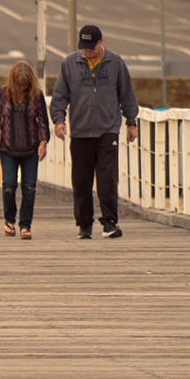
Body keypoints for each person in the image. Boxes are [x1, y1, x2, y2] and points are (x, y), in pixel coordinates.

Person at [51, 24, 140, 239]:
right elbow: (60, 95)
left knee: (107, 179)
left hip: (107, 130)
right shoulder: (69, 64)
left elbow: (127, 93)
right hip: (81, 131)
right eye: (84, 48)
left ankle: (110, 222)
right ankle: (84, 225)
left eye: (91, 48)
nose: (87, 52)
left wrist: (131, 122)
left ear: (101, 43)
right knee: (81, 181)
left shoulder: (116, 63)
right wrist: (59, 120)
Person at [0, 61, 49, 239]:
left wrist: (43, 142)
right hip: (8, 149)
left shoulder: (36, 95)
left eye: (25, 85)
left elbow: (42, 121)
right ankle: (9, 221)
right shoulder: (3, 94)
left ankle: (25, 225)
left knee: (29, 188)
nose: (22, 88)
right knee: (9, 186)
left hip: (31, 150)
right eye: (20, 85)